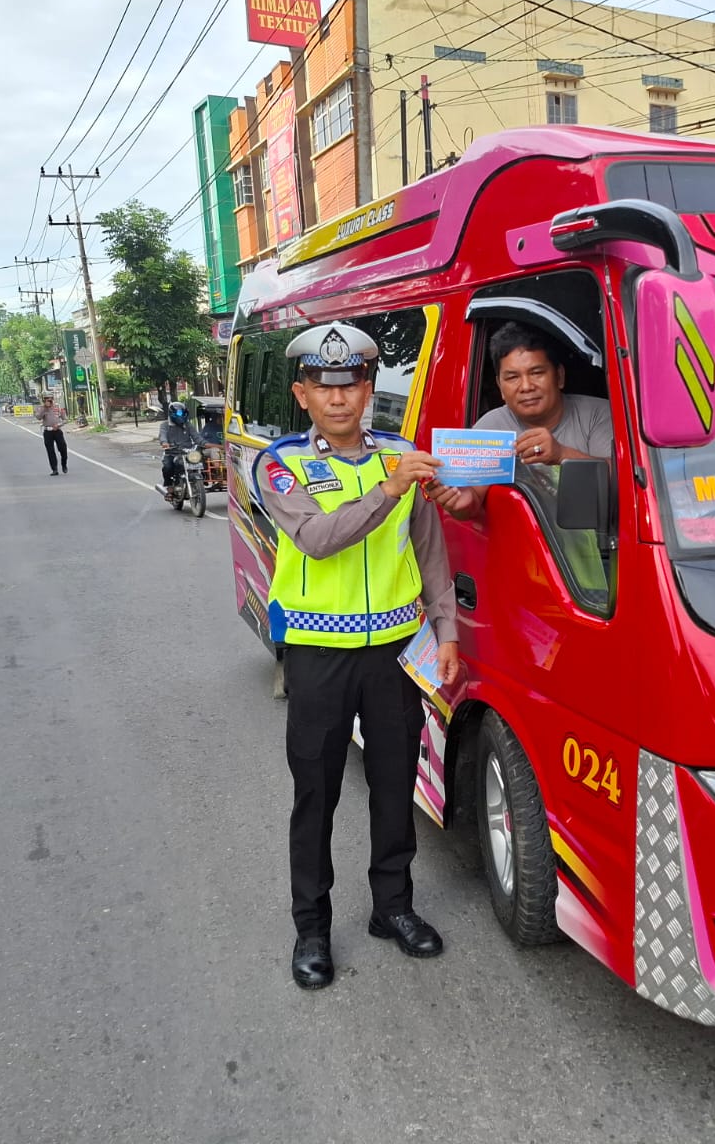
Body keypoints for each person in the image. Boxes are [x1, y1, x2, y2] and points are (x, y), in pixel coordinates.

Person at [254, 321, 461, 989]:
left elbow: (429, 550)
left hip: (395, 654)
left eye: (350, 385)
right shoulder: (280, 464)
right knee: (317, 792)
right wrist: (389, 490)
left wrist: (447, 631)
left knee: (397, 784)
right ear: (303, 394)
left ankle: (392, 907)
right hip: (318, 655)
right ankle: (311, 927)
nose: (338, 398)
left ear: (369, 389)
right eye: (323, 386)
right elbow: (318, 539)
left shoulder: (400, 456)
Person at [424, 321, 612, 519]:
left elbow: (626, 481)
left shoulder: (598, 414)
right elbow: (471, 502)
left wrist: (561, 454)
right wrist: (461, 504)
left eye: (537, 373)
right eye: (512, 377)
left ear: (559, 376)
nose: (526, 386)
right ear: (500, 386)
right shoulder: (490, 428)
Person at [155, 401, 202, 495]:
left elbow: (197, 437)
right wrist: (164, 443)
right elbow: (162, 436)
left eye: (182, 413)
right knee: (167, 467)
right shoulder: (165, 425)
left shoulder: (188, 425)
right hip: (171, 453)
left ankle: (196, 482)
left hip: (187, 452)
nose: (180, 416)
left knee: (199, 463)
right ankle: (169, 485)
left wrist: (206, 444)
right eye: (178, 413)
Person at [35, 394, 69, 475]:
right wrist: (44, 409)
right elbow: (38, 417)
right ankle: (54, 469)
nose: (48, 401)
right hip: (48, 431)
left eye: (50, 399)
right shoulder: (41, 408)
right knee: (50, 451)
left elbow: (65, 419)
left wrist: (59, 425)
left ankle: (64, 464)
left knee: (63, 448)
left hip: (57, 430)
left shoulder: (58, 407)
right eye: (46, 399)